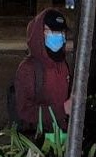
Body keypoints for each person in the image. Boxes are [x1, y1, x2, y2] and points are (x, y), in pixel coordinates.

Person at [13, 8, 72, 137]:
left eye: (62, 31)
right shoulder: (28, 69)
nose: (59, 36)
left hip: (62, 136)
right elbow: (23, 112)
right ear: (39, 33)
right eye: (53, 31)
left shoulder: (62, 64)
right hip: (40, 140)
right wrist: (62, 110)